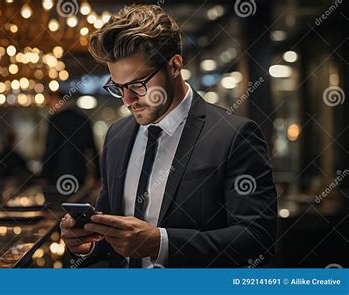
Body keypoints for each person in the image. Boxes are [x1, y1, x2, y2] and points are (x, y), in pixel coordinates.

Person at [60, 5, 277, 268]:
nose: (128, 100)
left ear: (174, 65)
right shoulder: (116, 135)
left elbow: (258, 240)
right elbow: (112, 237)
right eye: (118, 88)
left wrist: (161, 243)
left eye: (138, 85)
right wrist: (86, 245)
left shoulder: (234, 135)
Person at [41, 93, 100, 186]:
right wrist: (98, 175)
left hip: (57, 175)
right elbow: (92, 148)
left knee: (58, 200)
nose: (49, 105)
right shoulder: (82, 119)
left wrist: (44, 174)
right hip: (80, 173)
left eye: (51, 101)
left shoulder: (55, 121)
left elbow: (51, 149)